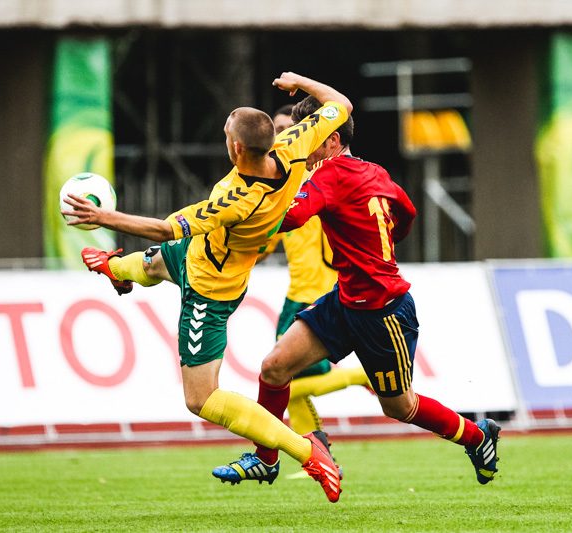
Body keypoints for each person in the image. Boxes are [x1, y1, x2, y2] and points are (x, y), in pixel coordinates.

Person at [62, 73, 351, 503]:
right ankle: (118, 270)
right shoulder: (294, 146)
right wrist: (301, 84)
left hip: (210, 289)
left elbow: (163, 227)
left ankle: (306, 451)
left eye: (225, 133)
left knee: (200, 399)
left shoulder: (236, 198)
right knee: (159, 263)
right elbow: (341, 103)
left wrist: (103, 218)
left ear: (236, 148)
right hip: (198, 254)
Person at [214, 95, 501, 491]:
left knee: (401, 406)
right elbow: (407, 212)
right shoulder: (374, 171)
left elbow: (291, 217)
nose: (301, 148)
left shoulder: (326, 175)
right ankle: (266, 458)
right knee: (275, 367)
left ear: (331, 141)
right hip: (345, 297)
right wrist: (382, 242)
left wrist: (229, 212)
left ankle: (477, 436)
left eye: (309, 138)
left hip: (383, 312)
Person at [223, 105, 372, 481]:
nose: (284, 137)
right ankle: (317, 447)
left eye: (292, 129)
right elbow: (267, 238)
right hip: (298, 290)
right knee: (283, 376)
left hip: (316, 291)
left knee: (288, 376)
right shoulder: (290, 181)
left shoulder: (313, 179)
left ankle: (359, 378)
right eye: (280, 131)